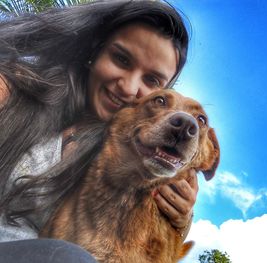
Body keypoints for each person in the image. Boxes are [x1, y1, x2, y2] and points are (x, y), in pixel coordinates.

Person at [0, 0, 198, 262]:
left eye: (151, 80)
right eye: (121, 59)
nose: (128, 88)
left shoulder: (133, 157)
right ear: (96, 51)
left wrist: (181, 218)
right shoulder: (18, 90)